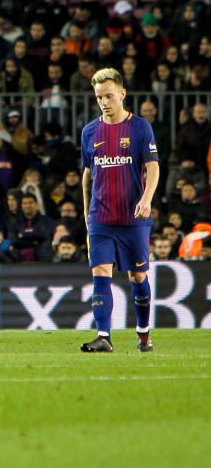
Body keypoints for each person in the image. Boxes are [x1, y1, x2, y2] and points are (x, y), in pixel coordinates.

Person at [80, 68, 160, 353]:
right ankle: (104, 336)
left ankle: (143, 334)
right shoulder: (89, 131)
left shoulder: (140, 128)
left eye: (109, 95)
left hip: (133, 218)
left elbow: (152, 166)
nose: (104, 101)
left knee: (137, 277)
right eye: (99, 97)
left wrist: (147, 199)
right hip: (101, 218)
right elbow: (87, 177)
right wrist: (87, 215)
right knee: (101, 273)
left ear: (122, 94)